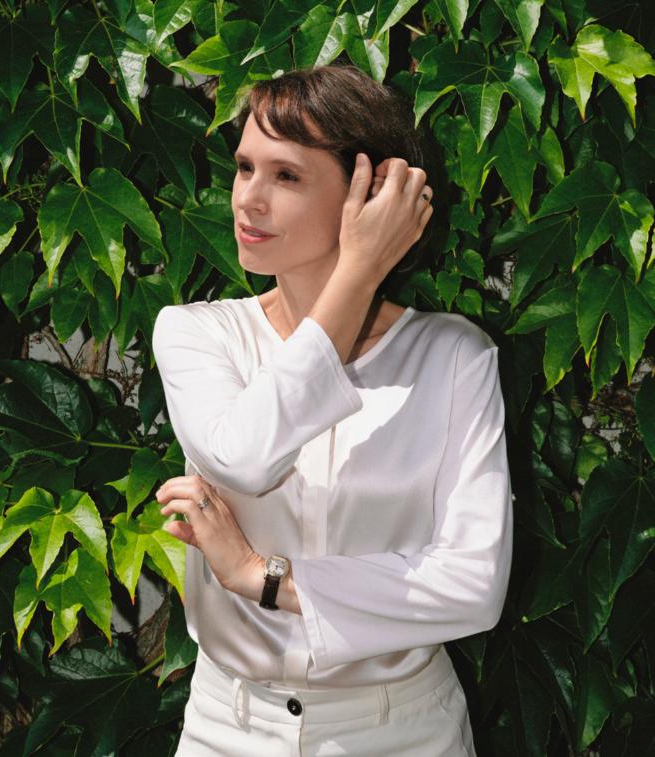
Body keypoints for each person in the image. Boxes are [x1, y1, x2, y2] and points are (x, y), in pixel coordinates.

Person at [152, 63, 513, 756]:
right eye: (244, 168)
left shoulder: (453, 358)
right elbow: (246, 457)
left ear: (369, 195)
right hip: (228, 729)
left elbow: (473, 586)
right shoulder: (198, 334)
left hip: (405, 731)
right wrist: (359, 272)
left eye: (285, 176)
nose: (248, 199)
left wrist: (262, 577)